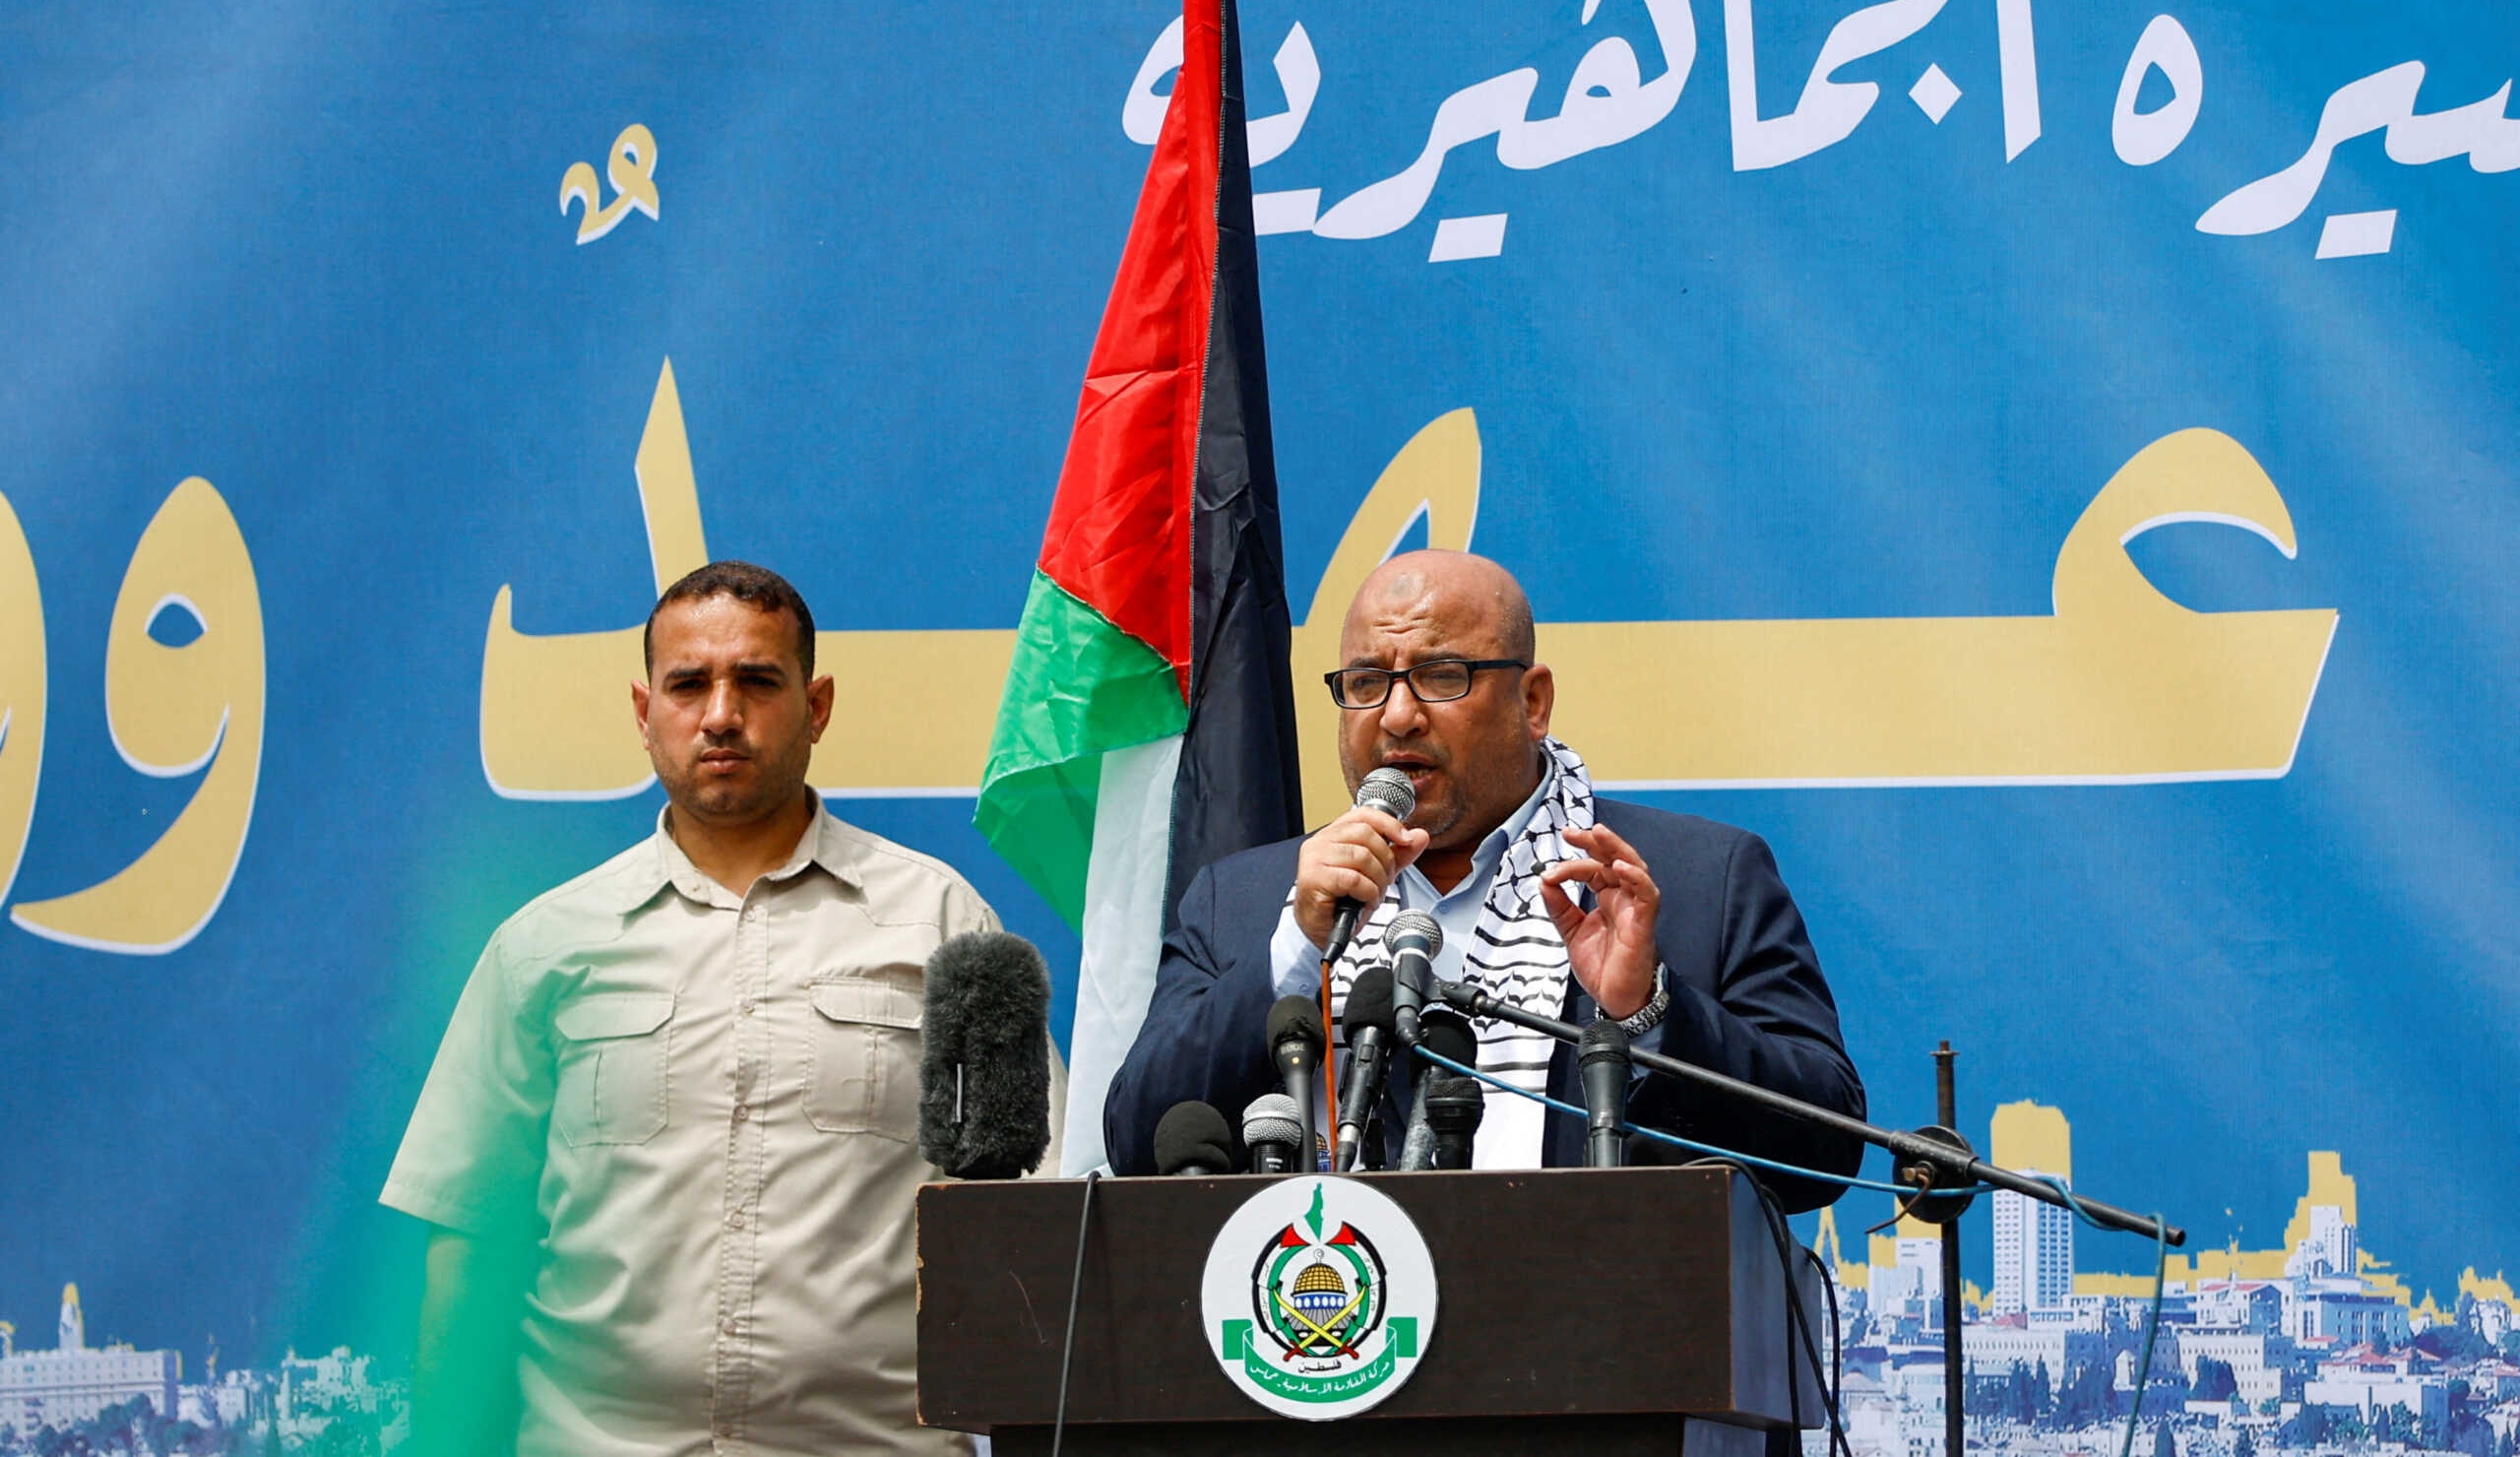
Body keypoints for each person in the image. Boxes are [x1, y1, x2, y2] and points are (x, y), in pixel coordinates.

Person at [384, 561, 1053, 1457]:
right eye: (689, 683)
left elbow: (1037, 1220)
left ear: (816, 707)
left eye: (758, 682)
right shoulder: (545, 945)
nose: (721, 714)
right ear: (643, 710)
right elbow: (469, 1236)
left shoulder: (945, 924)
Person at [1103, 550, 1863, 1205]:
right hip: (1322, 1349)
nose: (1396, 716)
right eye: (1367, 681)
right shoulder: (1243, 903)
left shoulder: (1697, 880)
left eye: (1441, 675)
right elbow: (1138, 1141)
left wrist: (1648, 1008)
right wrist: (1295, 951)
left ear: (1532, 702)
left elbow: (1827, 1149)